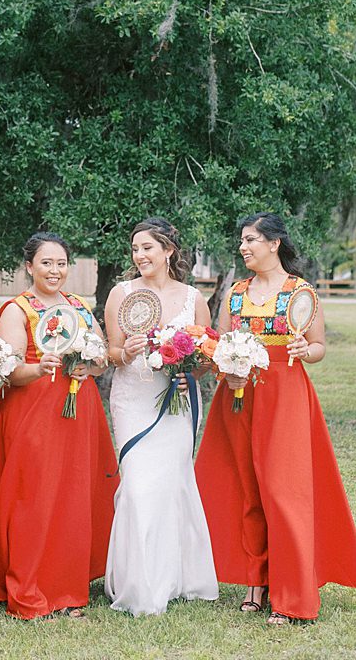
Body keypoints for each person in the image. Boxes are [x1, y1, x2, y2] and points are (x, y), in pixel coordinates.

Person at [196, 212, 356, 624]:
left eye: (252, 239)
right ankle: (255, 581)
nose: (244, 247)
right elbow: (221, 345)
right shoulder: (236, 293)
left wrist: (304, 351)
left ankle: (291, 594)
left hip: (285, 395)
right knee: (246, 487)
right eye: (242, 240)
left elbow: (319, 345)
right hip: (237, 396)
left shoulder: (299, 292)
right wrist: (225, 368)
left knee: (283, 490)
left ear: (274, 244)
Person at [0, 232, 116, 619]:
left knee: (71, 497)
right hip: (33, 413)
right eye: (46, 263)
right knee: (33, 497)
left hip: (78, 411)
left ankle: (66, 587)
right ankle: (26, 586)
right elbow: (9, 368)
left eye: (61, 263)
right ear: (29, 266)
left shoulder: (79, 307)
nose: (55, 270)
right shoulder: (18, 309)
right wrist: (39, 366)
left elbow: (100, 356)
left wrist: (90, 365)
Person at [102, 216, 218, 615]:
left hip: (178, 403)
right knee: (137, 486)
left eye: (147, 248)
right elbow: (109, 354)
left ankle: (177, 577)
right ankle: (138, 582)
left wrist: (189, 373)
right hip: (133, 399)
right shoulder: (121, 293)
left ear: (168, 250)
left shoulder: (193, 299)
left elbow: (206, 356)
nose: (139, 256)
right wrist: (127, 352)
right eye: (134, 249)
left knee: (171, 484)